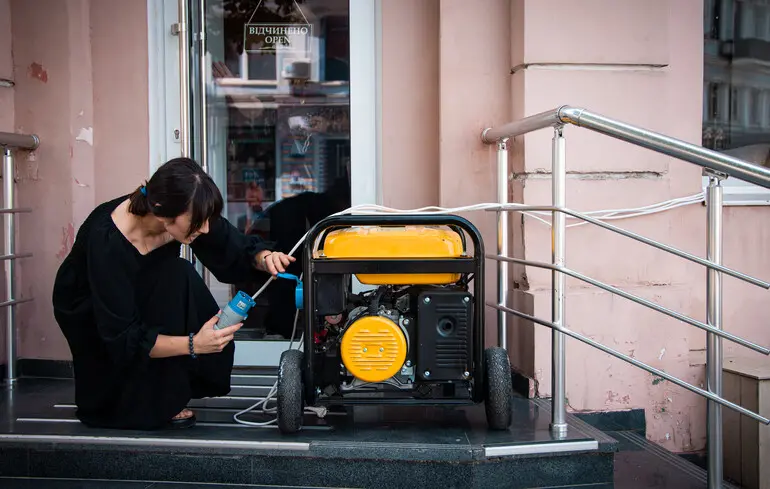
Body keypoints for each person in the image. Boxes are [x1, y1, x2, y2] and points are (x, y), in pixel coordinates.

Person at [52, 157, 294, 431]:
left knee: (178, 275)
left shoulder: (183, 212)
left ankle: (167, 392)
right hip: (91, 305)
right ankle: (134, 402)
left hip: (142, 286)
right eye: (197, 223)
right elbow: (123, 336)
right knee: (167, 287)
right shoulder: (108, 241)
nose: (204, 229)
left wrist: (264, 257)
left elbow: (230, 244)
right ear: (160, 211)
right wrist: (194, 344)